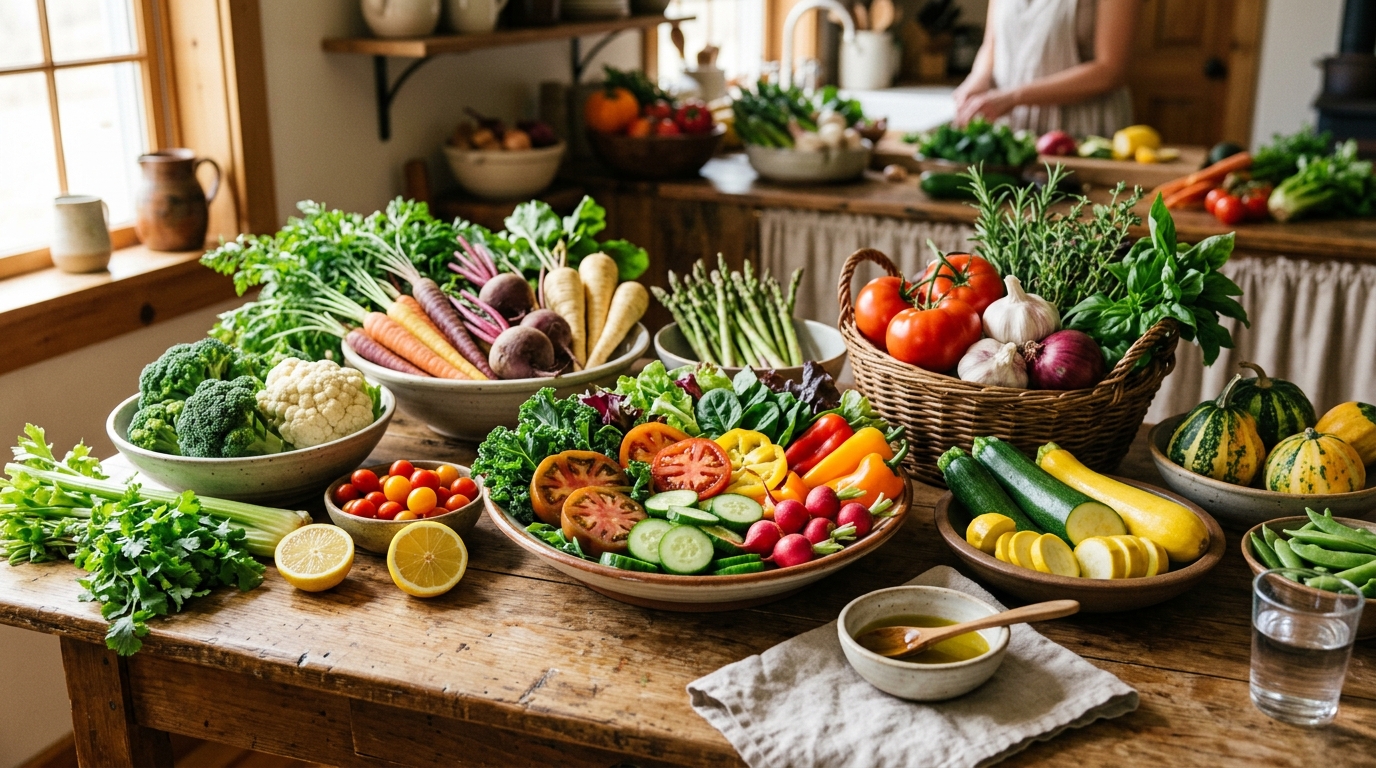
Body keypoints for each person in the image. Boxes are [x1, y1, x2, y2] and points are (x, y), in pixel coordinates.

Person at [951, 0, 1140, 137]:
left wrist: (1013, 97)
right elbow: (992, 45)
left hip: (1085, 129)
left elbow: (1111, 71)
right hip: (1014, 130)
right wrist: (977, 79)